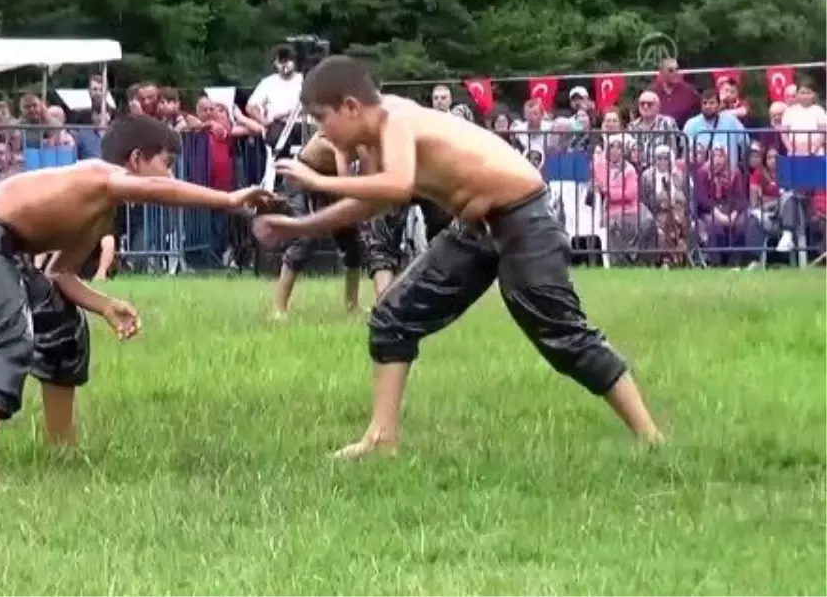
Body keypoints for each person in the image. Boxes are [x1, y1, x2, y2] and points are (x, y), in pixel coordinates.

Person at [252, 55, 663, 459]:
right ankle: (382, 440)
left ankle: (651, 440)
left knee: (562, 335)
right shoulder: (376, 137)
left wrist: (317, 178)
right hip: (477, 226)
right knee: (392, 317)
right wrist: (296, 227)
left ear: (351, 107)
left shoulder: (396, 119)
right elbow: (372, 203)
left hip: (524, 216)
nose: (321, 135)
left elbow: (396, 187)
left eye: (322, 121)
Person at [0, 114, 275, 483]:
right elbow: (152, 190)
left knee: (63, 324)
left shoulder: (100, 215)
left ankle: (61, 449)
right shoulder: (98, 174)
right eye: (168, 164)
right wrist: (227, 198)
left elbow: (60, 274)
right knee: (13, 336)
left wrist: (104, 306)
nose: (172, 177)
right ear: (135, 160)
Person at [269, 132, 363, 318]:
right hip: (301, 176)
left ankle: (352, 306)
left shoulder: (370, 135)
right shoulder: (337, 132)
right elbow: (346, 184)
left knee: (353, 243)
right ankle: (279, 309)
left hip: (329, 179)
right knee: (304, 239)